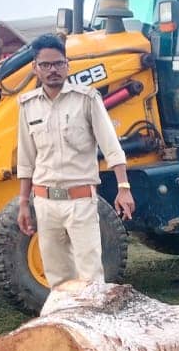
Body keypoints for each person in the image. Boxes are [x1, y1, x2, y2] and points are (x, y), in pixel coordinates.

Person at [15, 34, 134, 288]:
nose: (53, 70)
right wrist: (24, 203)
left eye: (58, 63)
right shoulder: (28, 106)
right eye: (45, 65)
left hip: (80, 202)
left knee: (90, 276)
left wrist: (124, 188)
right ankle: (66, 325)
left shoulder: (87, 99)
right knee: (57, 279)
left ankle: (93, 325)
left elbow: (112, 147)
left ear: (68, 65)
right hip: (45, 203)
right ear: (35, 68)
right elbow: (26, 160)